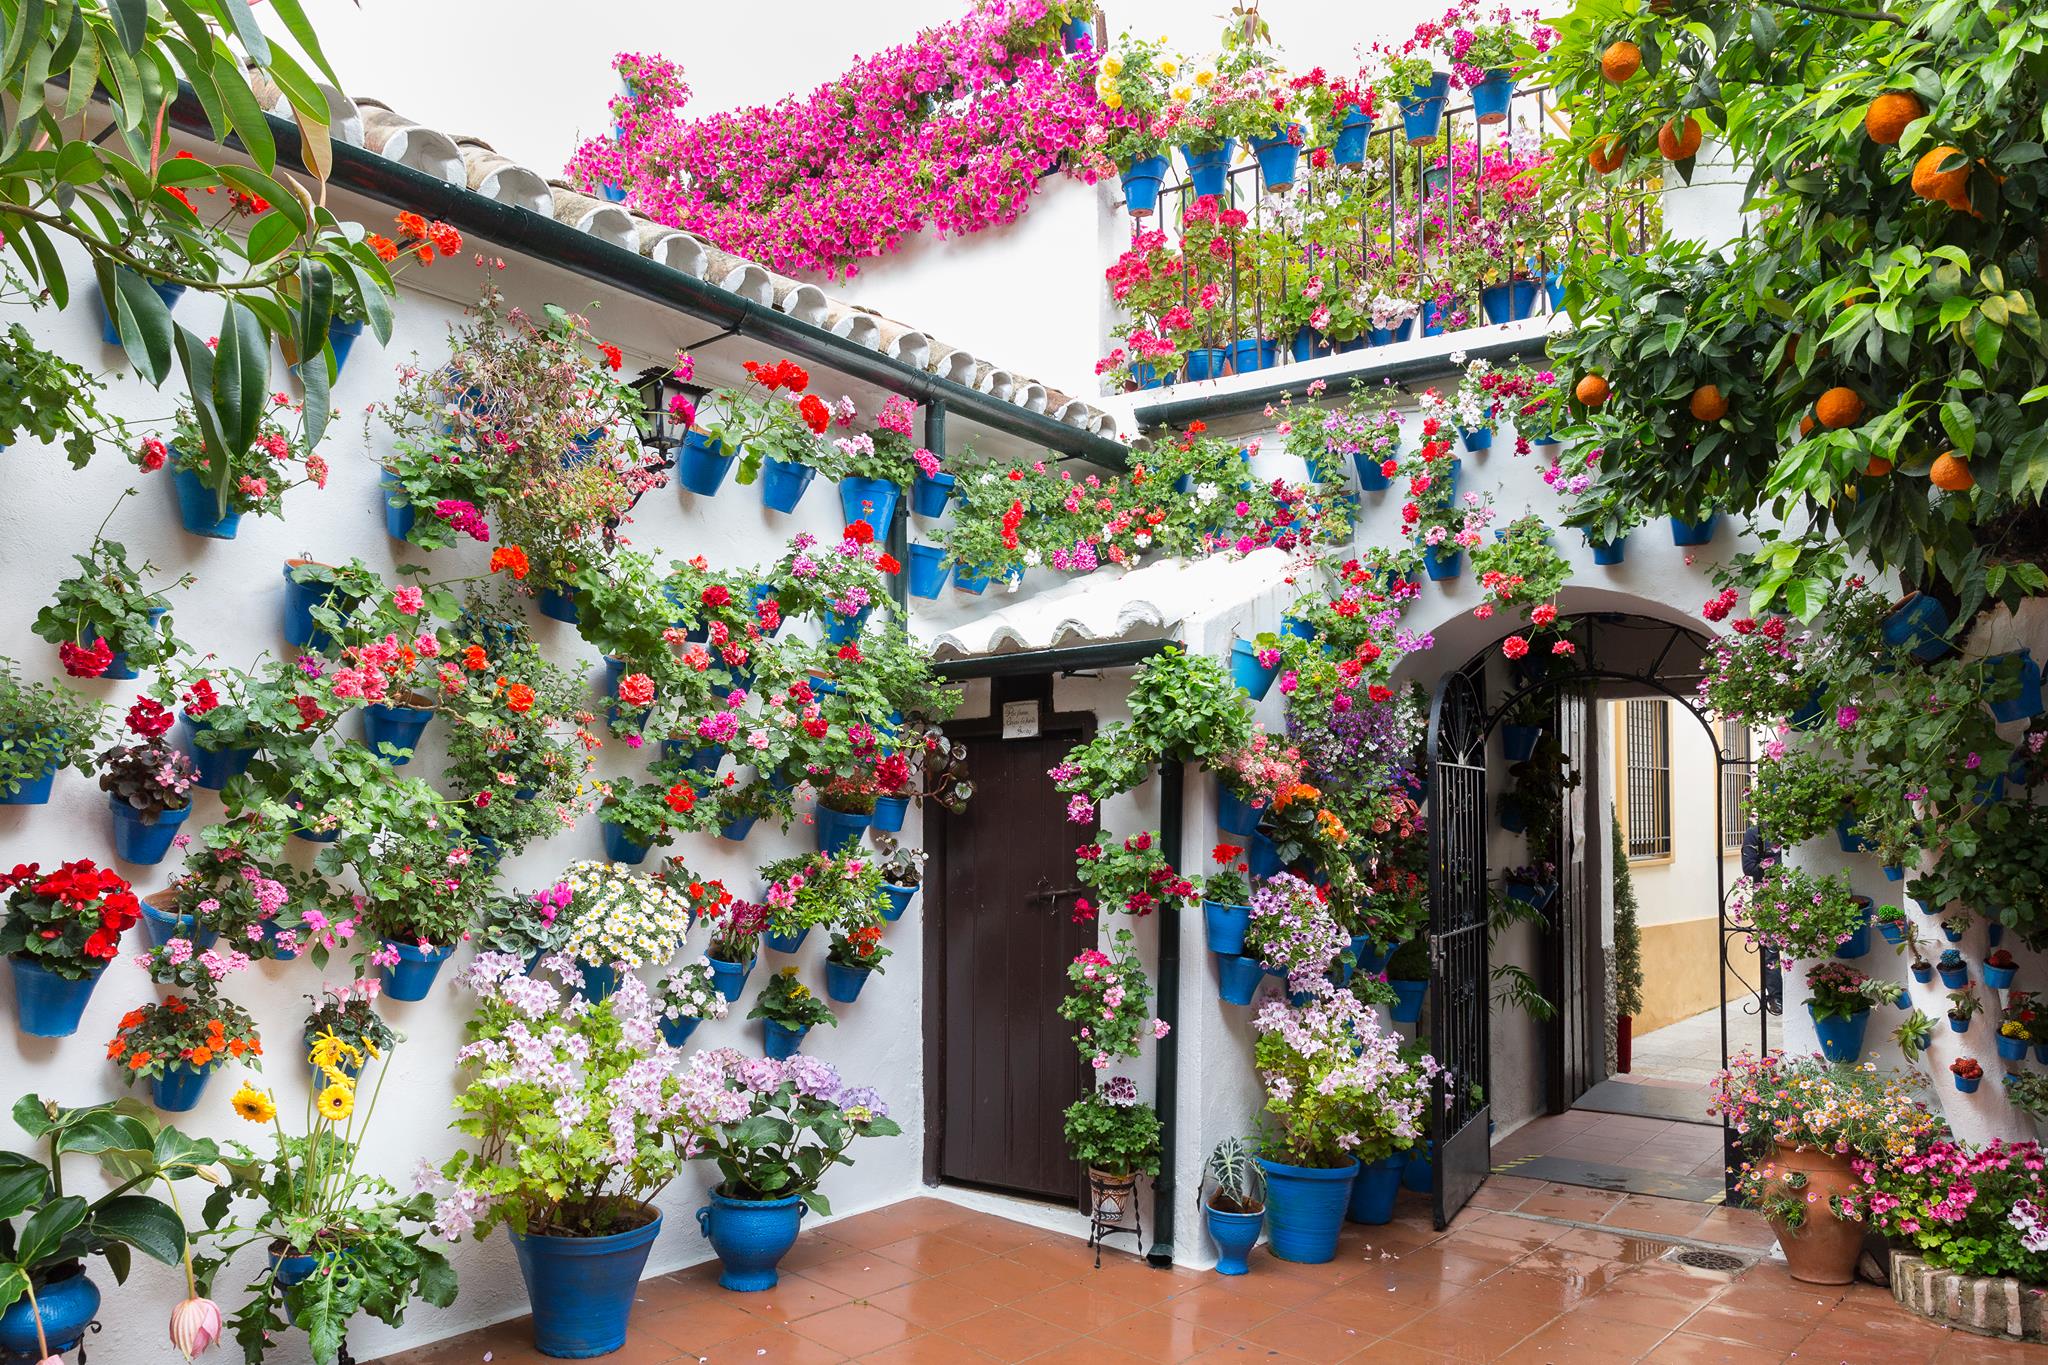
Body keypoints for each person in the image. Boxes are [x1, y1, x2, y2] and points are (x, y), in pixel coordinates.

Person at [1740, 822, 1783, 1014]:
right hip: (1766, 898)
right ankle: (1776, 998)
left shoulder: (1791, 830)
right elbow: (1749, 867)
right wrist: (1778, 864)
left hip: (1791, 894)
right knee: (1771, 950)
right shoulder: (1755, 833)